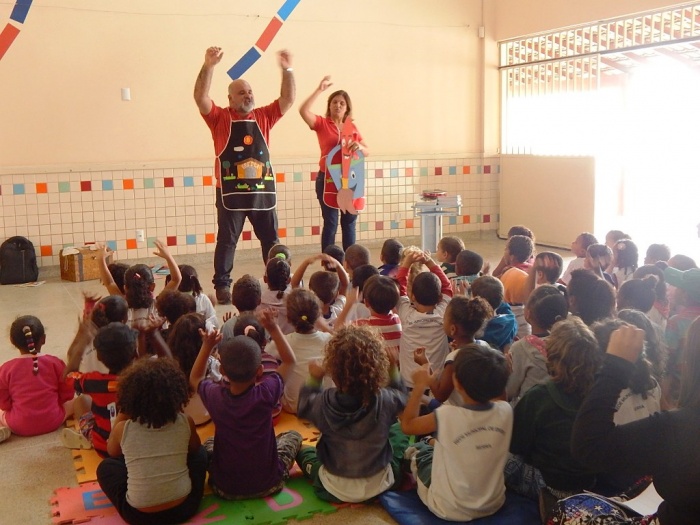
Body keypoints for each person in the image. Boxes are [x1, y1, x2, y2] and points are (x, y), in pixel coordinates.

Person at [552, 321, 700, 525]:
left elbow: (589, 446)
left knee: (569, 510)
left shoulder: (679, 428)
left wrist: (616, 366)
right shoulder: (671, 420)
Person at [194, 46, 295, 305]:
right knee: (227, 241)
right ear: (230, 99)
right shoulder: (219, 118)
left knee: (271, 241)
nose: (248, 95)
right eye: (241, 92)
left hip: (262, 192)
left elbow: (287, 99)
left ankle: (277, 282)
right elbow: (200, 97)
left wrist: (287, 70)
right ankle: (222, 286)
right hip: (231, 194)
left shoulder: (264, 116)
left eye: (250, 91)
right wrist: (208, 66)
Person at [190, 311, 302, 499]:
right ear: (260, 371)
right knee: (293, 435)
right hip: (269, 483)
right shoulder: (266, 393)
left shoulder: (216, 397)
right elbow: (290, 361)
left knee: (208, 443)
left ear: (222, 370)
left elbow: (195, 378)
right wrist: (273, 328)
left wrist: (207, 346)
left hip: (224, 488)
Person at [296, 325, 408, 503]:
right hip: (380, 484)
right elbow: (402, 397)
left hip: (333, 488)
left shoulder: (322, 403)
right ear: (377, 368)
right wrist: (393, 368)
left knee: (303, 451)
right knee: (400, 432)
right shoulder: (386, 399)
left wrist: (315, 378)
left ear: (333, 370)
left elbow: (304, 405)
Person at [401, 345, 512, 521]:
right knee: (439, 444)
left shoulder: (446, 415)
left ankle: (424, 446)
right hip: (493, 503)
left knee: (419, 452)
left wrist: (419, 386)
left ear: (457, 384)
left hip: (448, 507)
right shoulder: (506, 410)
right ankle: (431, 442)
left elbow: (407, 426)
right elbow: (500, 397)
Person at [505, 317, 602, 520]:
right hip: (588, 483)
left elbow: (516, 445)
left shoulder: (539, 397)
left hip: (549, 485)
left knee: (495, 451)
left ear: (551, 354)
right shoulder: (600, 396)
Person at [97, 358, 207, 525]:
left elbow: (112, 452)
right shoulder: (185, 421)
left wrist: (124, 412)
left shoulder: (123, 428)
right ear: (177, 395)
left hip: (139, 517)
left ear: (129, 398)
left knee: (106, 467)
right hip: (185, 508)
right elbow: (195, 449)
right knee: (201, 453)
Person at [299, 76, 369, 251]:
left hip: (350, 180)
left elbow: (367, 151)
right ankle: (328, 262)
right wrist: (319, 90)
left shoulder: (352, 128)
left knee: (349, 222)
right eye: (334, 102)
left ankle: (351, 262)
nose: (338, 105)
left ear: (347, 108)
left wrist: (359, 146)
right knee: (330, 222)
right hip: (327, 179)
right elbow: (303, 110)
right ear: (329, 106)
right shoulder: (322, 124)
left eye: (342, 103)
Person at [62, 322, 137, 455]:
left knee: (81, 401)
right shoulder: (142, 381)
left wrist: (82, 345)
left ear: (99, 357)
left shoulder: (93, 382)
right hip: (135, 449)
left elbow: (68, 376)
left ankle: (87, 438)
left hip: (103, 448)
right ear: (134, 353)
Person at [0, 316, 74, 441]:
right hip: (53, 420)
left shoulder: (6, 369)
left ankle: (3, 428)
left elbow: (4, 402)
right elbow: (67, 394)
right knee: (78, 400)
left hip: (18, 425)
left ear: (12, 341)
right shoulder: (56, 363)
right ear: (43, 339)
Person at [414, 295, 494, 406]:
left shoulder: (454, 359)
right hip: (481, 407)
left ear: (453, 329)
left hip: (459, 411)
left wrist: (425, 365)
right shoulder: (484, 346)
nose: (443, 321)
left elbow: (440, 395)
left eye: (444, 318)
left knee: (411, 397)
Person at [265, 289, 332, 414]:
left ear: (288, 318)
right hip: (325, 407)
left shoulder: (284, 342)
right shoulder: (330, 340)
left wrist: (275, 329)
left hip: (294, 406)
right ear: (318, 315)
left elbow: (265, 353)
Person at [396, 249, 453, 387]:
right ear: (439, 297)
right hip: (436, 384)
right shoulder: (443, 314)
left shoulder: (406, 314)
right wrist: (429, 262)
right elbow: (447, 287)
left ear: (412, 296)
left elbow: (399, 287)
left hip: (409, 383)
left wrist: (407, 263)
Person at [506, 285, 568, 404]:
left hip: (530, 410)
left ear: (528, 313)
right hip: (562, 409)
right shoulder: (569, 343)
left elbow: (509, 391)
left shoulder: (521, 348)